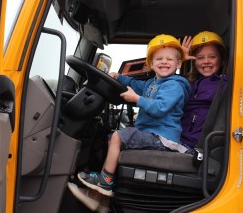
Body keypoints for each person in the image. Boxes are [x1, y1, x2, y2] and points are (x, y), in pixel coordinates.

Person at [76, 34, 191, 197]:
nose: (164, 62)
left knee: (118, 136)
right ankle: (104, 190)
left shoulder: (174, 86)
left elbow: (159, 108)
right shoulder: (152, 83)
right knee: (111, 137)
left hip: (163, 138)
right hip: (152, 133)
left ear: (178, 63)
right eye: (159, 59)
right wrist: (118, 77)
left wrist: (137, 99)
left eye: (169, 59)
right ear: (151, 63)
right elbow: (134, 84)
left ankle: (106, 181)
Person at [179, 31, 228, 153]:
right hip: (180, 140)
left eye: (212, 56)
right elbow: (168, 91)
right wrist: (178, 60)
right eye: (200, 58)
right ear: (194, 62)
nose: (206, 61)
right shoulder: (190, 83)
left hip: (198, 146)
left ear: (221, 60)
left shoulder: (224, 84)